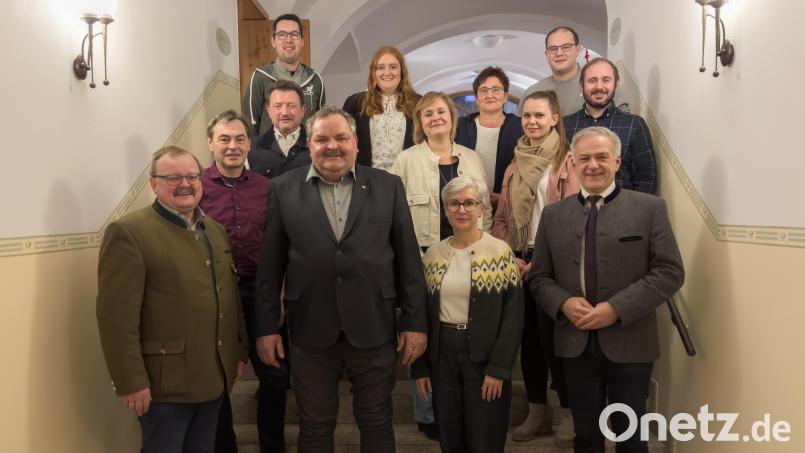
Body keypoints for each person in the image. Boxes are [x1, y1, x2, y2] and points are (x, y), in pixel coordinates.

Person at [253, 106, 428, 452]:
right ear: (309, 144)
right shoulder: (281, 189)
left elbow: (409, 261)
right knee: (315, 425)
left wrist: (415, 323)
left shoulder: (388, 186)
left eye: (340, 138)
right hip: (310, 330)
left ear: (355, 143)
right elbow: (269, 268)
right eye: (321, 139)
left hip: (374, 326)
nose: (332, 145)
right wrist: (266, 327)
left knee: (376, 422)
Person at [529, 126, 685, 452]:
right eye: (584, 158)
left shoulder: (649, 208)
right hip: (574, 342)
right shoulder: (553, 216)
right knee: (586, 436)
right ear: (573, 163)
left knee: (631, 437)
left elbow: (669, 272)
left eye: (601, 157)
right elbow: (540, 277)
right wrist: (563, 303)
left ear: (617, 161)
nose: (593, 165)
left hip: (631, 342)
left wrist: (616, 308)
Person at [97, 146, 249, 453]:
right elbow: (117, 320)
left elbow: (229, 296)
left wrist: (239, 351)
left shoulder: (215, 230)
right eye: (173, 178)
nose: (185, 184)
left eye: (192, 176)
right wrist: (130, 381)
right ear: (153, 184)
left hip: (214, 377)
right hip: (164, 387)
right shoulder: (129, 232)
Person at [492, 90, 580, 446]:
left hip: (554, 265)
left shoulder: (568, 162)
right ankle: (537, 412)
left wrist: (541, 261)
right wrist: (508, 254)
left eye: (539, 115)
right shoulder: (514, 165)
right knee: (527, 340)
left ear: (554, 119)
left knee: (554, 341)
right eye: (526, 115)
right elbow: (501, 219)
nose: (531, 121)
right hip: (519, 261)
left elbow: (575, 217)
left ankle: (569, 414)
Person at [413, 175, 523, 453]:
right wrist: (420, 367)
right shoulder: (433, 255)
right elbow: (421, 315)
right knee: (449, 435)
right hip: (442, 355)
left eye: (469, 203)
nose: (462, 210)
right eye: (454, 203)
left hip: (484, 356)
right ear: (445, 209)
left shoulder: (500, 252)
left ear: (481, 208)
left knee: (485, 436)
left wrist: (499, 368)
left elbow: (513, 317)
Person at [199, 110, 286, 453]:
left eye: (239, 139)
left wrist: (280, 295)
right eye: (224, 139)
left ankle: (272, 446)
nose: (232, 146)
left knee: (274, 373)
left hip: (260, 293)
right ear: (211, 143)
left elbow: (281, 242)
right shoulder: (196, 187)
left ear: (250, 144)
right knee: (218, 378)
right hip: (215, 295)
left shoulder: (268, 188)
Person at [391, 92, 492, 249]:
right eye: (428, 114)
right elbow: (393, 213)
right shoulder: (404, 160)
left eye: (441, 111)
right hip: (423, 255)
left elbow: (486, 210)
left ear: (451, 117)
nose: (436, 118)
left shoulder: (473, 158)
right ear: (420, 122)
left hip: (472, 251)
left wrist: (484, 247)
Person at [563, 57, 657, 194]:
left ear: (616, 83)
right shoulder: (565, 125)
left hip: (623, 205)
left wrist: (634, 207)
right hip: (575, 204)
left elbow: (647, 178)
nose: (599, 87)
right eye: (592, 80)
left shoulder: (634, 124)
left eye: (606, 80)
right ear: (581, 85)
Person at [516, 26, 630, 116]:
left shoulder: (600, 86)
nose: (559, 53)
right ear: (546, 54)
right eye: (553, 49)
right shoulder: (533, 92)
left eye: (566, 47)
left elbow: (624, 125)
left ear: (577, 49)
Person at [243, 13, 325, 137]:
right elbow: (249, 127)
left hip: (305, 149)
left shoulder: (315, 79)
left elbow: (320, 126)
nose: (288, 40)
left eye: (294, 34)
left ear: (302, 41)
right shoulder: (260, 77)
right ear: (273, 41)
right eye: (282, 35)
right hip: (268, 149)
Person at [342, 46, 420, 171]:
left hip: (408, 178)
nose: (387, 72)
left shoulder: (419, 103)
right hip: (366, 178)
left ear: (402, 71)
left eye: (393, 67)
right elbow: (342, 143)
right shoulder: (355, 103)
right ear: (373, 72)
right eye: (380, 67)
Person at [455, 66, 521, 206]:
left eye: (496, 89)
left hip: (508, 207)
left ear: (505, 96)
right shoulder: (459, 127)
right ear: (476, 98)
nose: (489, 95)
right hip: (466, 206)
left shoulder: (520, 127)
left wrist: (505, 197)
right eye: (484, 90)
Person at [249, 80, 312, 179]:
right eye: (278, 106)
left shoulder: (317, 146)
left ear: (302, 110)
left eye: (291, 106)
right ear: (269, 111)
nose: (285, 113)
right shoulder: (251, 148)